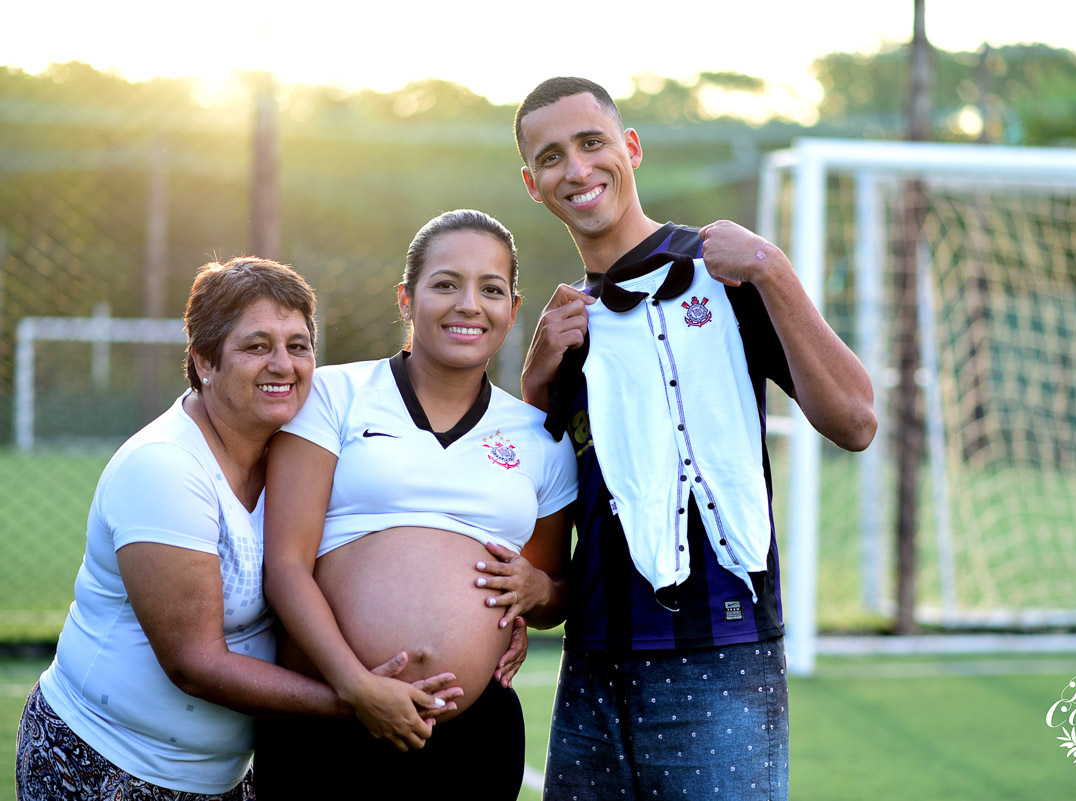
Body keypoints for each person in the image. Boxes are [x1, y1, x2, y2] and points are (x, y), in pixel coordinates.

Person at [514, 77, 878, 800]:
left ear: (632, 149)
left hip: (723, 655)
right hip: (591, 665)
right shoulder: (565, 329)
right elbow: (548, 510)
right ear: (533, 184)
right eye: (553, 157)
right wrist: (534, 389)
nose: (577, 170)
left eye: (592, 144)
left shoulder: (729, 273)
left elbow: (857, 420)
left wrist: (773, 269)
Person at [14, 258, 460, 801]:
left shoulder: (303, 453)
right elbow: (194, 663)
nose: (283, 365)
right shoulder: (163, 467)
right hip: (104, 763)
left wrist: (505, 602)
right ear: (204, 361)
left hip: (223, 778)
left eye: (298, 346)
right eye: (256, 347)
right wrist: (354, 698)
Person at [254, 209, 577, 800]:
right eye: (446, 284)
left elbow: (553, 592)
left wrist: (538, 590)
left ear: (513, 308)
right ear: (407, 298)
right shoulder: (332, 394)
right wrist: (355, 685)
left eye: (491, 289)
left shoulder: (541, 438)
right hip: (328, 718)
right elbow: (285, 565)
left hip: (471, 739)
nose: (469, 304)